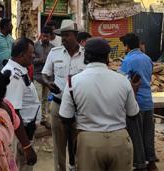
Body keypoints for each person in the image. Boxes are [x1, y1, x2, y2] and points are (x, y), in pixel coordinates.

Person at [60, 38, 139, 171]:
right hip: (119, 141)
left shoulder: (73, 82)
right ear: (107, 57)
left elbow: (65, 118)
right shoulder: (123, 81)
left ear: (86, 56)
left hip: (88, 142)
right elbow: (133, 115)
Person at [42, 20, 86, 171]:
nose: (64, 38)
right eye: (62, 35)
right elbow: (44, 75)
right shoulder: (54, 53)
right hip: (58, 105)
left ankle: (75, 167)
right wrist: (48, 83)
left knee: (78, 144)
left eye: (67, 35)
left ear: (76, 36)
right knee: (59, 146)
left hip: (79, 108)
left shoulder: (86, 55)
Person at [119, 33, 157, 170]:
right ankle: (151, 161)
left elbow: (122, 80)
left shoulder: (128, 60)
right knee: (148, 134)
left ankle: (140, 165)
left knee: (136, 135)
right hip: (148, 101)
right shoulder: (147, 58)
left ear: (127, 46)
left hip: (136, 102)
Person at [3, 38, 41, 171]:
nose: (34, 55)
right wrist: (26, 146)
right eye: (31, 52)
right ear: (21, 55)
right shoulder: (15, 76)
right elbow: (13, 112)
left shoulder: (19, 70)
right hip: (21, 133)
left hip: (25, 130)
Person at [33, 27, 54, 129]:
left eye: (47, 36)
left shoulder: (53, 48)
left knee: (45, 99)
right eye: (44, 36)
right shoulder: (35, 46)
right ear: (41, 35)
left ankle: (43, 120)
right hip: (37, 77)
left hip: (48, 78)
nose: (45, 38)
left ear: (50, 36)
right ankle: (34, 121)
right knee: (37, 99)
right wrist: (39, 60)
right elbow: (31, 60)